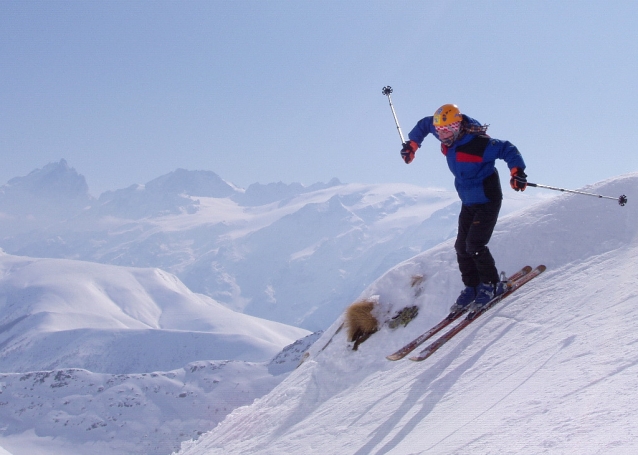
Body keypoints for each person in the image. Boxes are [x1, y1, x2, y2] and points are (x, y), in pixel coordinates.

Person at [400, 104, 528, 313]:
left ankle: (492, 285)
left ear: (457, 125)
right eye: (439, 131)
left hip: (487, 198)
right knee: (461, 247)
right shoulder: (444, 128)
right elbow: (425, 124)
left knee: (475, 245)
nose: (442, 136)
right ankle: (473, 286)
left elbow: (507, 149)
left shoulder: (478, 144)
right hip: (468, 200)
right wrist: (413, 144)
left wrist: (517, 172)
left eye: (447, 131)